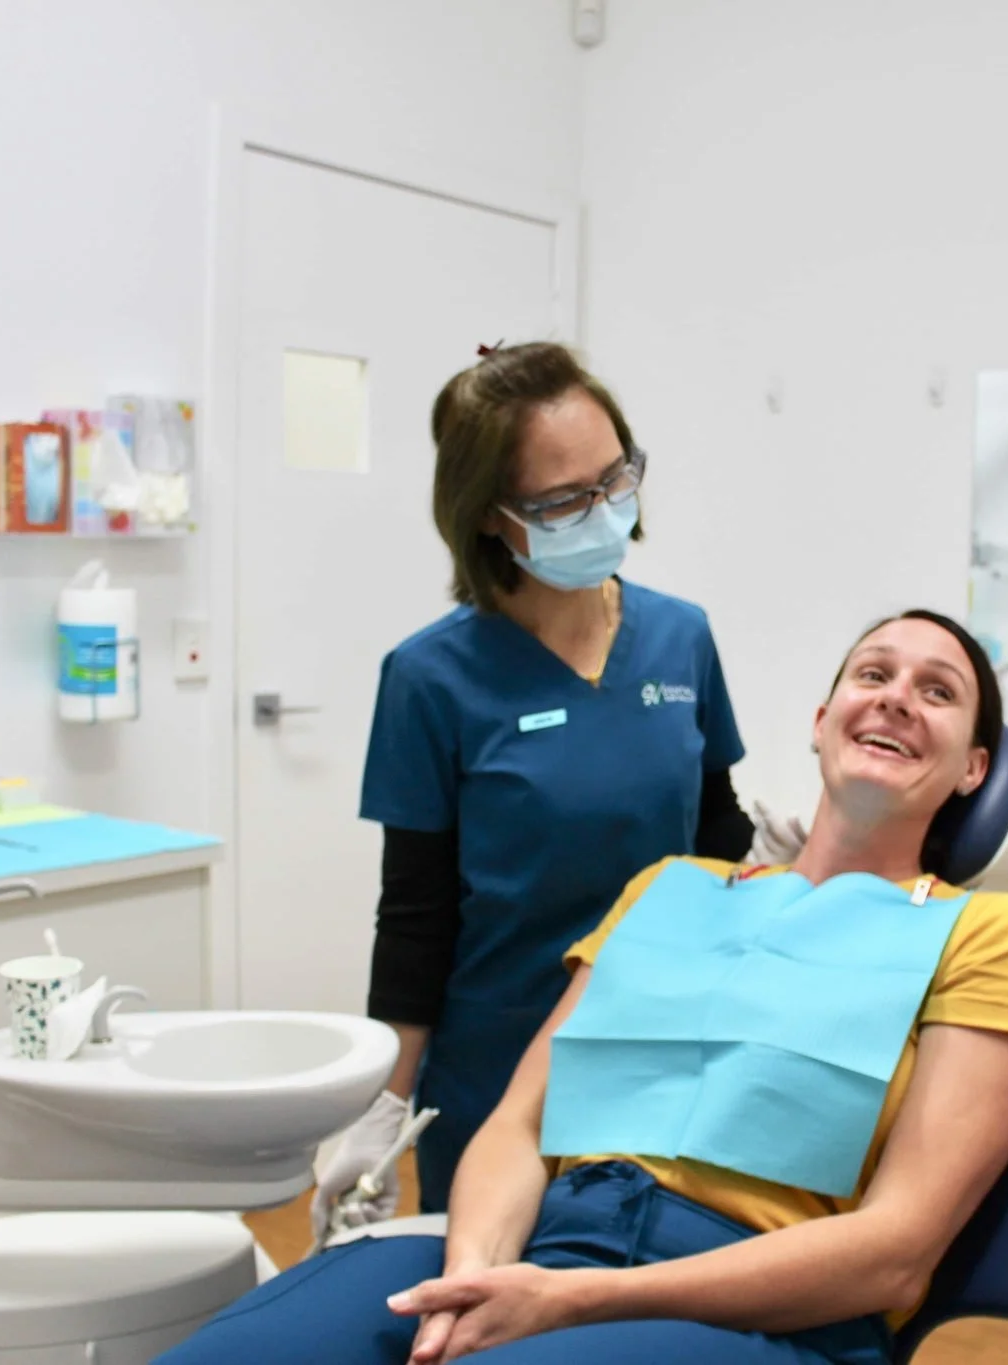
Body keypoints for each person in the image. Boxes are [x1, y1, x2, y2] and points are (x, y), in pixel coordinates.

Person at [161, 611, 1008, 1365]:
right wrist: (471, 1287)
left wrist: (578, 1301)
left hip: (760, 1309)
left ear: (973, 768)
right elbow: (518, 1124)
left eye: (938, 691)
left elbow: (895, 1255)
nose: (897, 695)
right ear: (821, 721)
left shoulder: (989, 935)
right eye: (874, 673)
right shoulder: (669, 888)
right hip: (547, 1248)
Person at [316, 342, 757, 1238]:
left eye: (616, 478)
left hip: (666, 1050)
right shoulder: (430, 679)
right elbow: (414, 918)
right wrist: (380, 1107)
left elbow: (715, 826)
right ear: (488, 516)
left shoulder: (682, 638)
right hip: (495, 1070)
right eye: (563, 500)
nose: (603, 512)